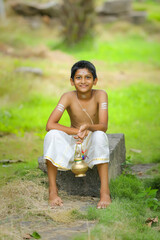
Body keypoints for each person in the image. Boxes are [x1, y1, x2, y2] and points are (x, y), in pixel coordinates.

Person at [43, 60, 111, 209]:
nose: (83, 81)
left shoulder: (101, 95)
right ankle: (53, 191)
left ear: (95, 80)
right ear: (72, 81)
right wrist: (77, 131)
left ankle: (105, 192)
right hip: (73, 140)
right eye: (78, 77)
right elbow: (50, 125)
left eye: (88, 77)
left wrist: (88, 127)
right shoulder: (67, 97)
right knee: (52, 135)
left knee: (100, 135)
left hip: (91, 139)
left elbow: (103, 126)